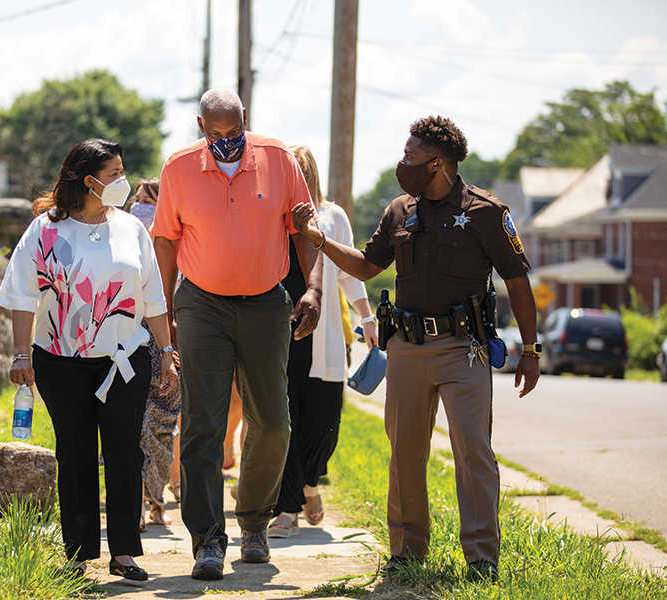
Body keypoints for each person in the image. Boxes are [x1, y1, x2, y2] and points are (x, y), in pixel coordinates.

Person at [291, 116, 541, 582]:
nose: (402, 163)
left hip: (463, 350)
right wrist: (319, 240)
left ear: (439, 163)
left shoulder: (487, 212)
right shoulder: (399, 210)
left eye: (411, 157)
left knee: (473, 452)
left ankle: (482, 557)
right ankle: (407, 549)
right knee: (405, 452)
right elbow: (367, 267)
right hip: (405, 348)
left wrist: (531, 348)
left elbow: (517, 281)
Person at [151, 88, 323, 581]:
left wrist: (311, 289)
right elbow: (165, 240)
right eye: (217, 132)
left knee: (272, 421)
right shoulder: (179, 167)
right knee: (204, 422)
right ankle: (207, 538)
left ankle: (253, 524)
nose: (227, 141)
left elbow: (302, 228)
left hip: (267, 301)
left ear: (245, 120)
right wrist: (165, 313)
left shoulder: (278, 159)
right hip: (201, 304)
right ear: (201, 126)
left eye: (235, 131)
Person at [0, 138, 178, 582]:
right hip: (59, 360)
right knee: (75, 452)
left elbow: (153, 297)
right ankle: (78, 553)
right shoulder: (45, 229)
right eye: (114, 174)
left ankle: (125, 552)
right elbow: (22, 294)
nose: (122, 181)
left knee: (123, 452)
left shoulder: (133, 229)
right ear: (87, 180)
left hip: (124, 361)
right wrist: (22, 354)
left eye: (121, 171)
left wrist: (168, 352)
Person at [267, 145, 379, 538]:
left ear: (310, 175)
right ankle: (286, 509)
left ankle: (310, 484)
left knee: (324, 421)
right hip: (278, 334)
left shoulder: (332, 217)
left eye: (299, 171)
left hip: (325, 334)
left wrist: (367, 318)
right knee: (283, 421)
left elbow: (350, 272)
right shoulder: (268, 215)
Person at [128, 177, 182, 529]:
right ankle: (135, 500)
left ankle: (158, 497)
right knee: (133, 422)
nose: (142, 209)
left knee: (163, 422)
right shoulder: (122, 238)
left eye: (150, 203)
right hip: (131, 340)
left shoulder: (178, 243)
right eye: (138, 201)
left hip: (169, 339)